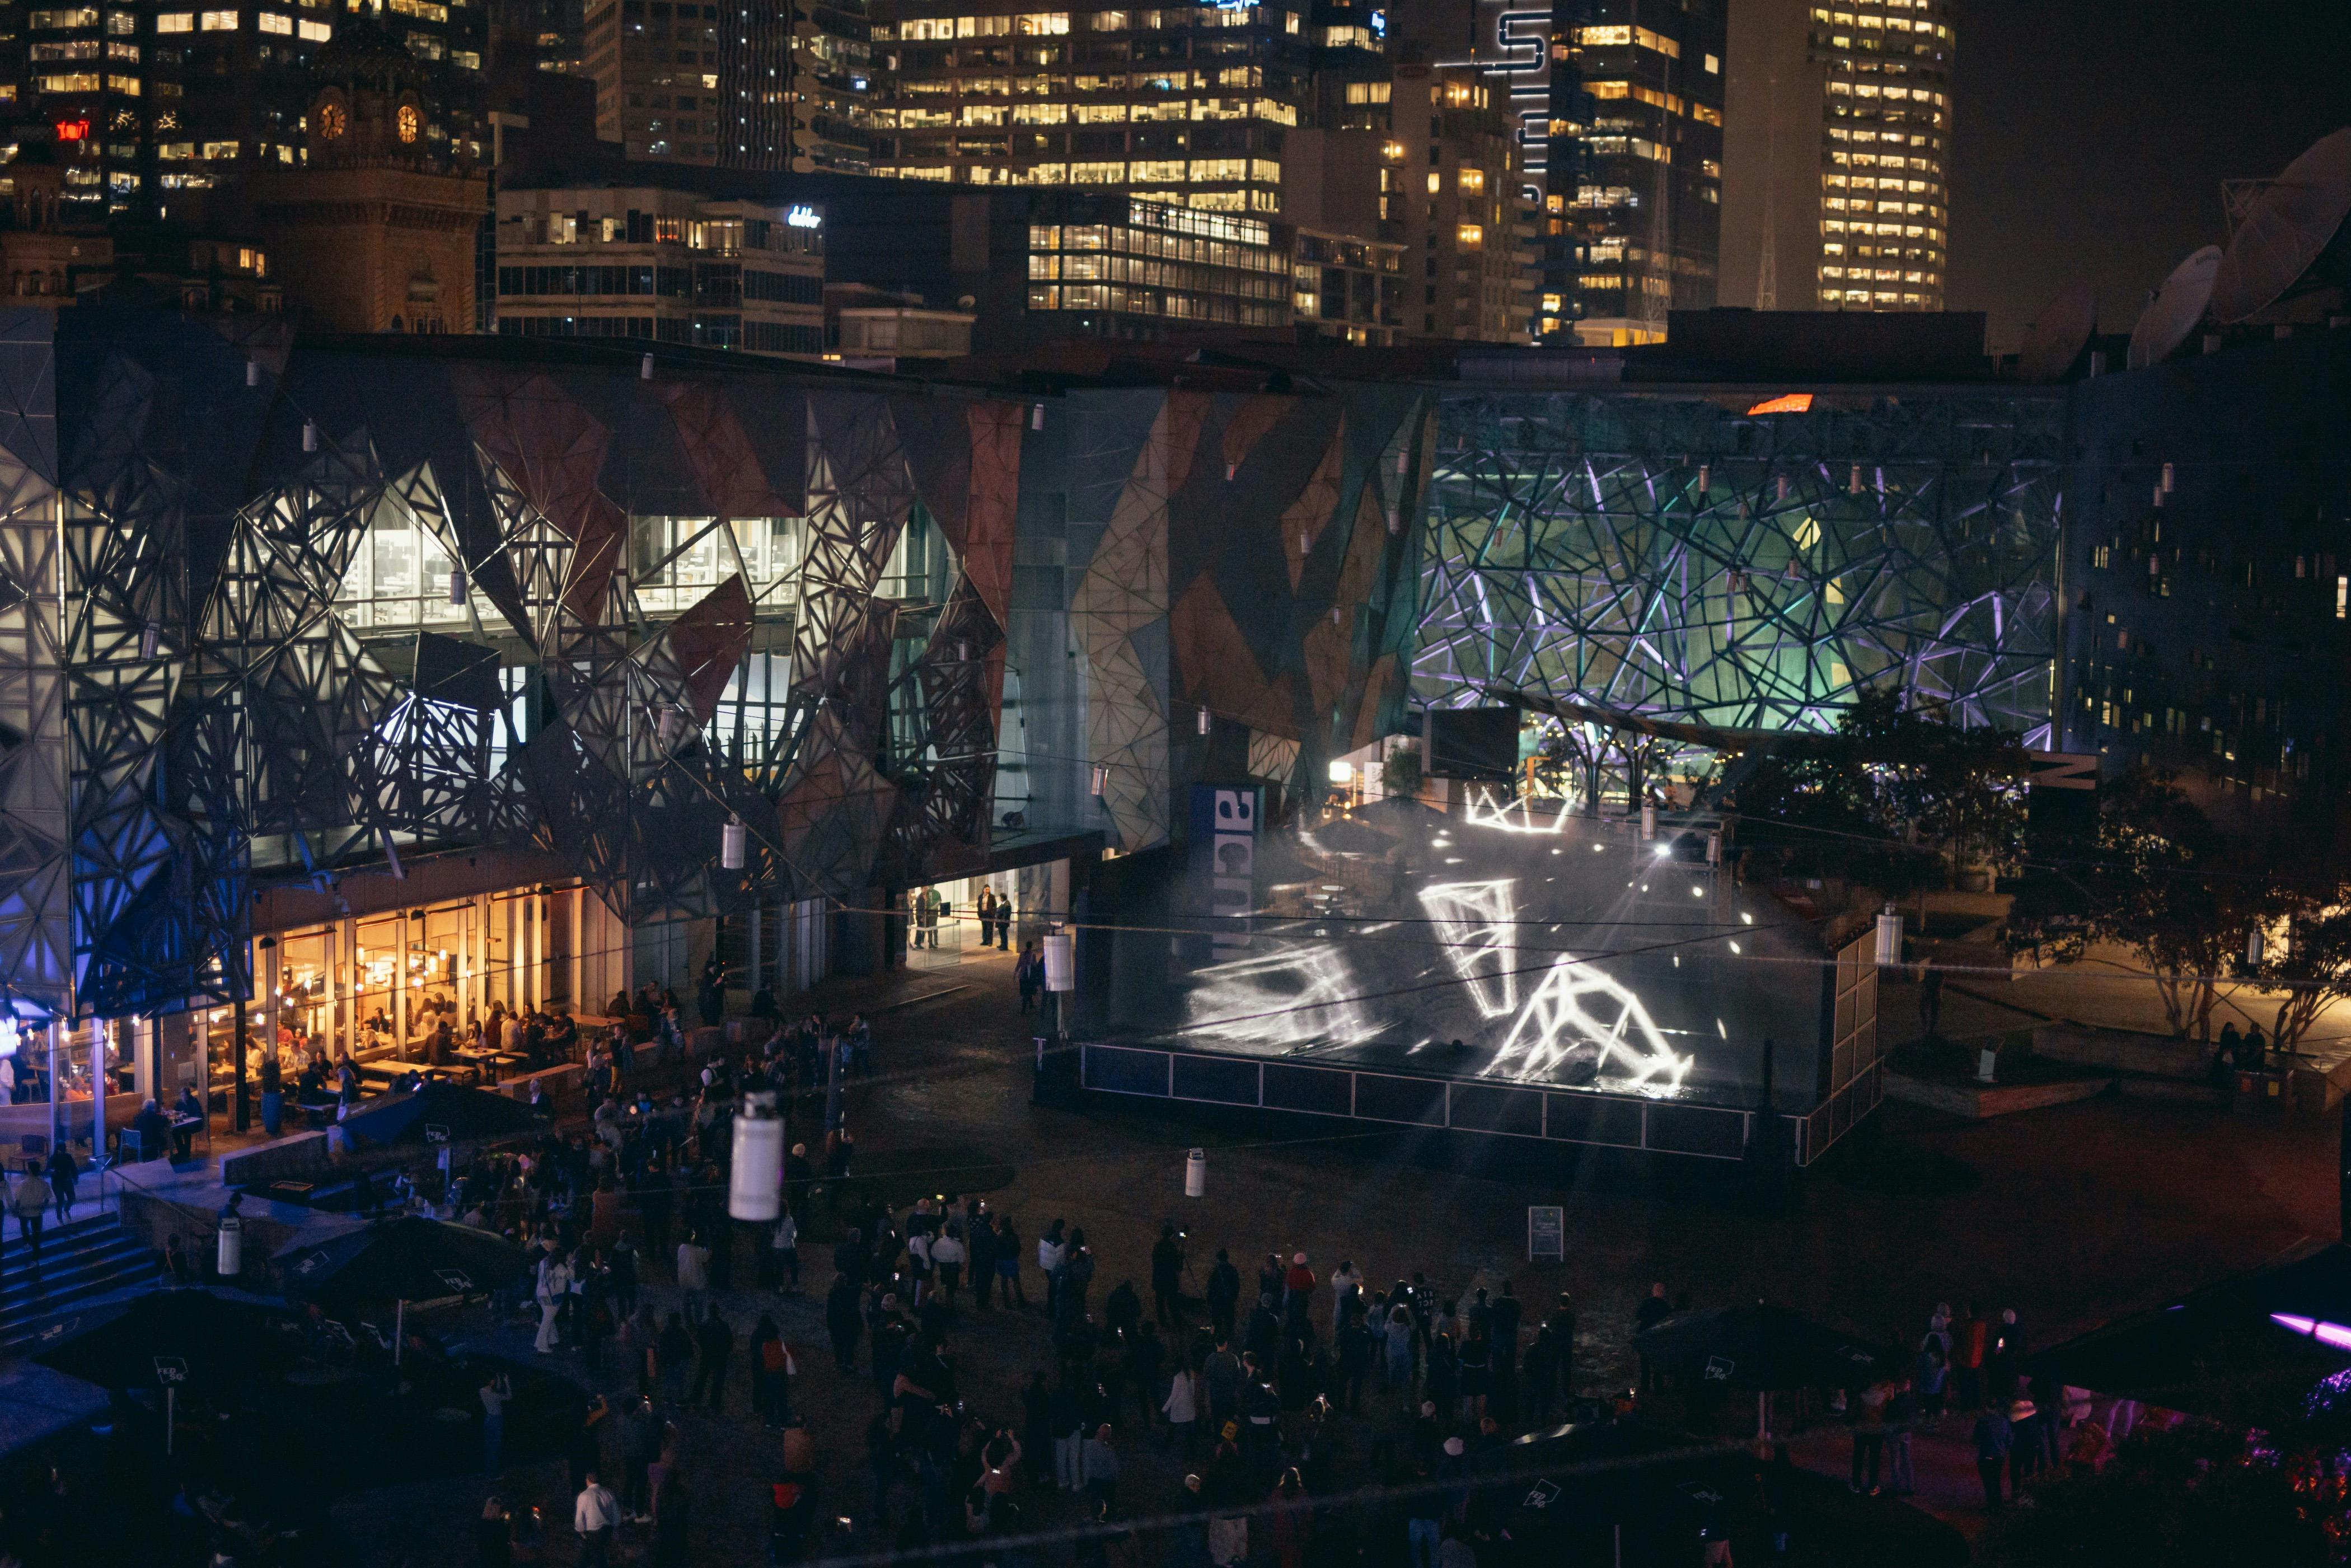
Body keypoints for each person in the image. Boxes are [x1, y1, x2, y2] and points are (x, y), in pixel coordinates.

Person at [7, 1162, 50, 1278]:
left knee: (24, 1227)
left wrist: (16, 1210)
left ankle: (26, 1242)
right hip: (37, 1213)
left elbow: (18, 1200)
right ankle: (35, 1258)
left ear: (29, 1171)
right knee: (37, 1235)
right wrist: (43, 1206)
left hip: (25, 1212)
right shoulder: (44, 1184)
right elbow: (47, 1197)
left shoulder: (22, 1184)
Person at [1972, 1400, 2013, 1512]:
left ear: (1987, 1408)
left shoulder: (1983, 1422)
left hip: (1986, 1454)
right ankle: (1999, 1505)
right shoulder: (2005, 1422)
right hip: (2000, 1455)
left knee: (1988, 1481)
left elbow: (1975, 1439)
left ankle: (1991, 1506)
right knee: (1996, 1479)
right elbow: (2009, 1440)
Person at [574, 1471, 620, 1567]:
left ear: (588, 1480)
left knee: (597, 1557)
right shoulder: (608, 1492)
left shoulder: (584, 1496)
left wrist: (580, 1531)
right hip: (607, 1529)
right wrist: (615, 1527)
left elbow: (580, 1517)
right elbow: (615, 1512)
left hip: (593, 1532)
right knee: (590, 1555)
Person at [481, 1372, 513, 1474]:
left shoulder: (482, 1391)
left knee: (488, 1445)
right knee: (495, 1446)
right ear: (491, 1381)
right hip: (496, 1419)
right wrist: (507, 1382)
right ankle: (492, 1474)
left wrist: (499, 1380)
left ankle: (486, 1469)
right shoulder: (495, 1395)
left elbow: (497, 1390)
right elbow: (509, 1397)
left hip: (488, 1418)